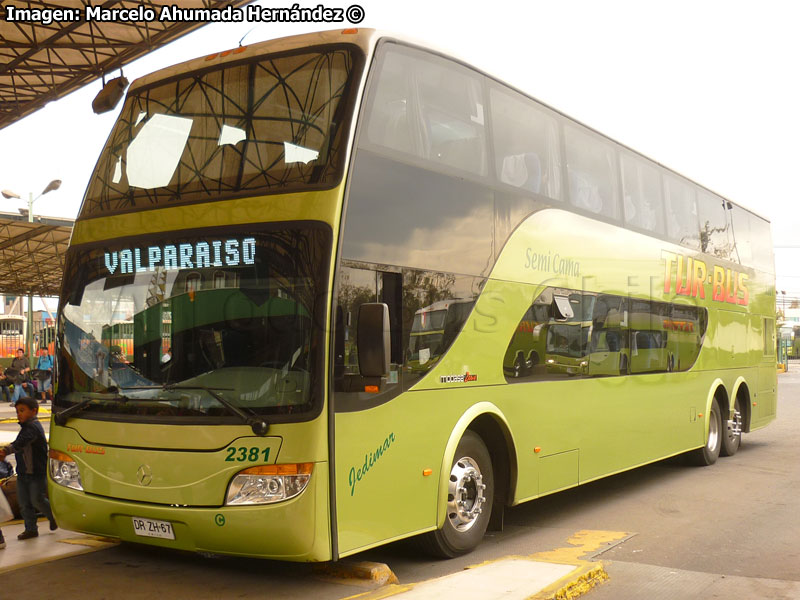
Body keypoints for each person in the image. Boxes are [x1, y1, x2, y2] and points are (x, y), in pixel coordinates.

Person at [0, 397, 57, 539]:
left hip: (36, 473)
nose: (19, 414)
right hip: (23, 473)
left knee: (37, 499)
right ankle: (31, 528)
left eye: (22, 410)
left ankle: (53, 516)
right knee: (24, 502)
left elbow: (21, 442)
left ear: (34, 411)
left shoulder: (33, 427)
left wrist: (6, 451)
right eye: (17, 411)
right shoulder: (26, 427)